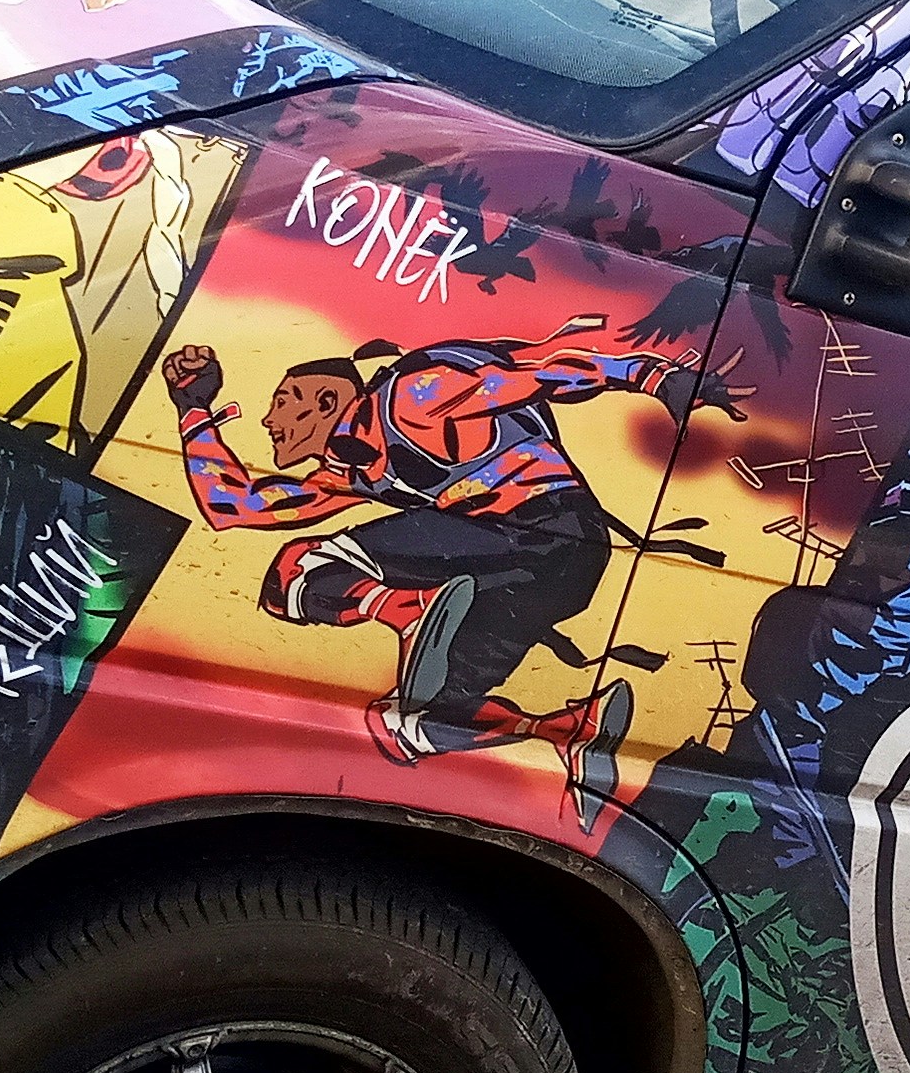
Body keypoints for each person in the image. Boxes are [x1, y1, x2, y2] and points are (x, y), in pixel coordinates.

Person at [165, 319, 740, 823]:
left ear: (325, 401)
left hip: (542, 528)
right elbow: (234, 505)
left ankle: (409, 612)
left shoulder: (412, 397)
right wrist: (194, 408)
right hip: (546, 573)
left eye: (284, 400)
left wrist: (654, 377)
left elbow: (537, 371)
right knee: (410, 723)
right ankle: (564, 735)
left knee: (307, 563)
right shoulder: (353, 471)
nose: (268, 419)